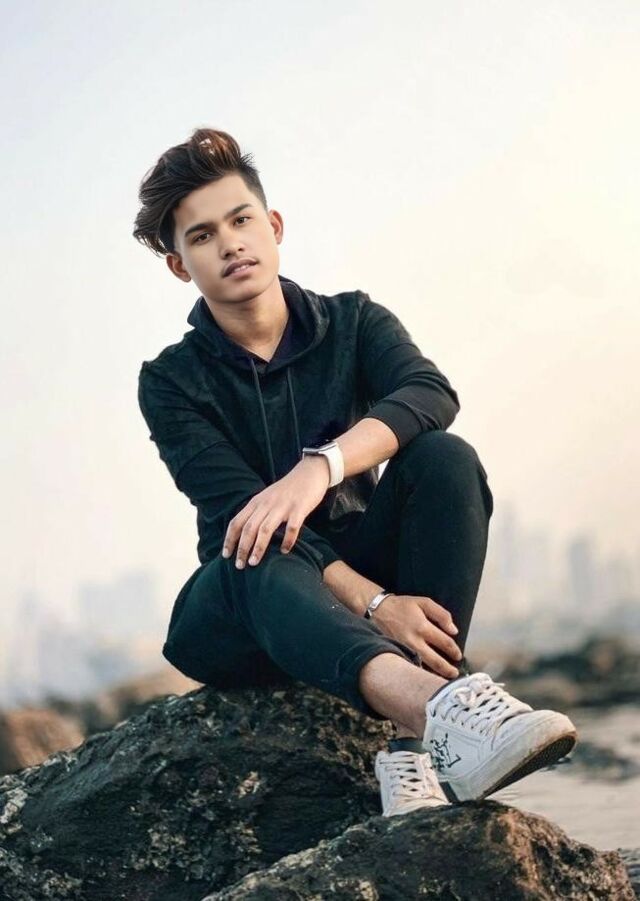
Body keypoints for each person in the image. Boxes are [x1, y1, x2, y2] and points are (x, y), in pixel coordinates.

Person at [132, 127, 577, 817]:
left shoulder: (353, 321)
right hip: (251, 607)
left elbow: (429, 393)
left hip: (357, 561)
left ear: (274, 227)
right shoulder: (170, 381)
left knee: (444, 458)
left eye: (241, 220)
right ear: (179, 265)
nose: (230, 244)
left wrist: (322, 466)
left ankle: (410, 756)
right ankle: (443, 711)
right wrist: (376, 605)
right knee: (253, 542)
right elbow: (246, 514)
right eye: (202, 236)